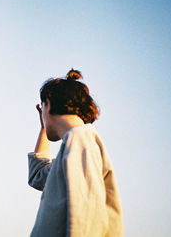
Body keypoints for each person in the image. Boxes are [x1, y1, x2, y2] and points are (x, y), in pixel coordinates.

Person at [27, 69, 124, 237]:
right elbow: (37, 175)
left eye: (42, 107)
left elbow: (85, 220)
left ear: (48, 103)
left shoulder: (80, 140)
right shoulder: (75, 144)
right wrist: (44, 127)